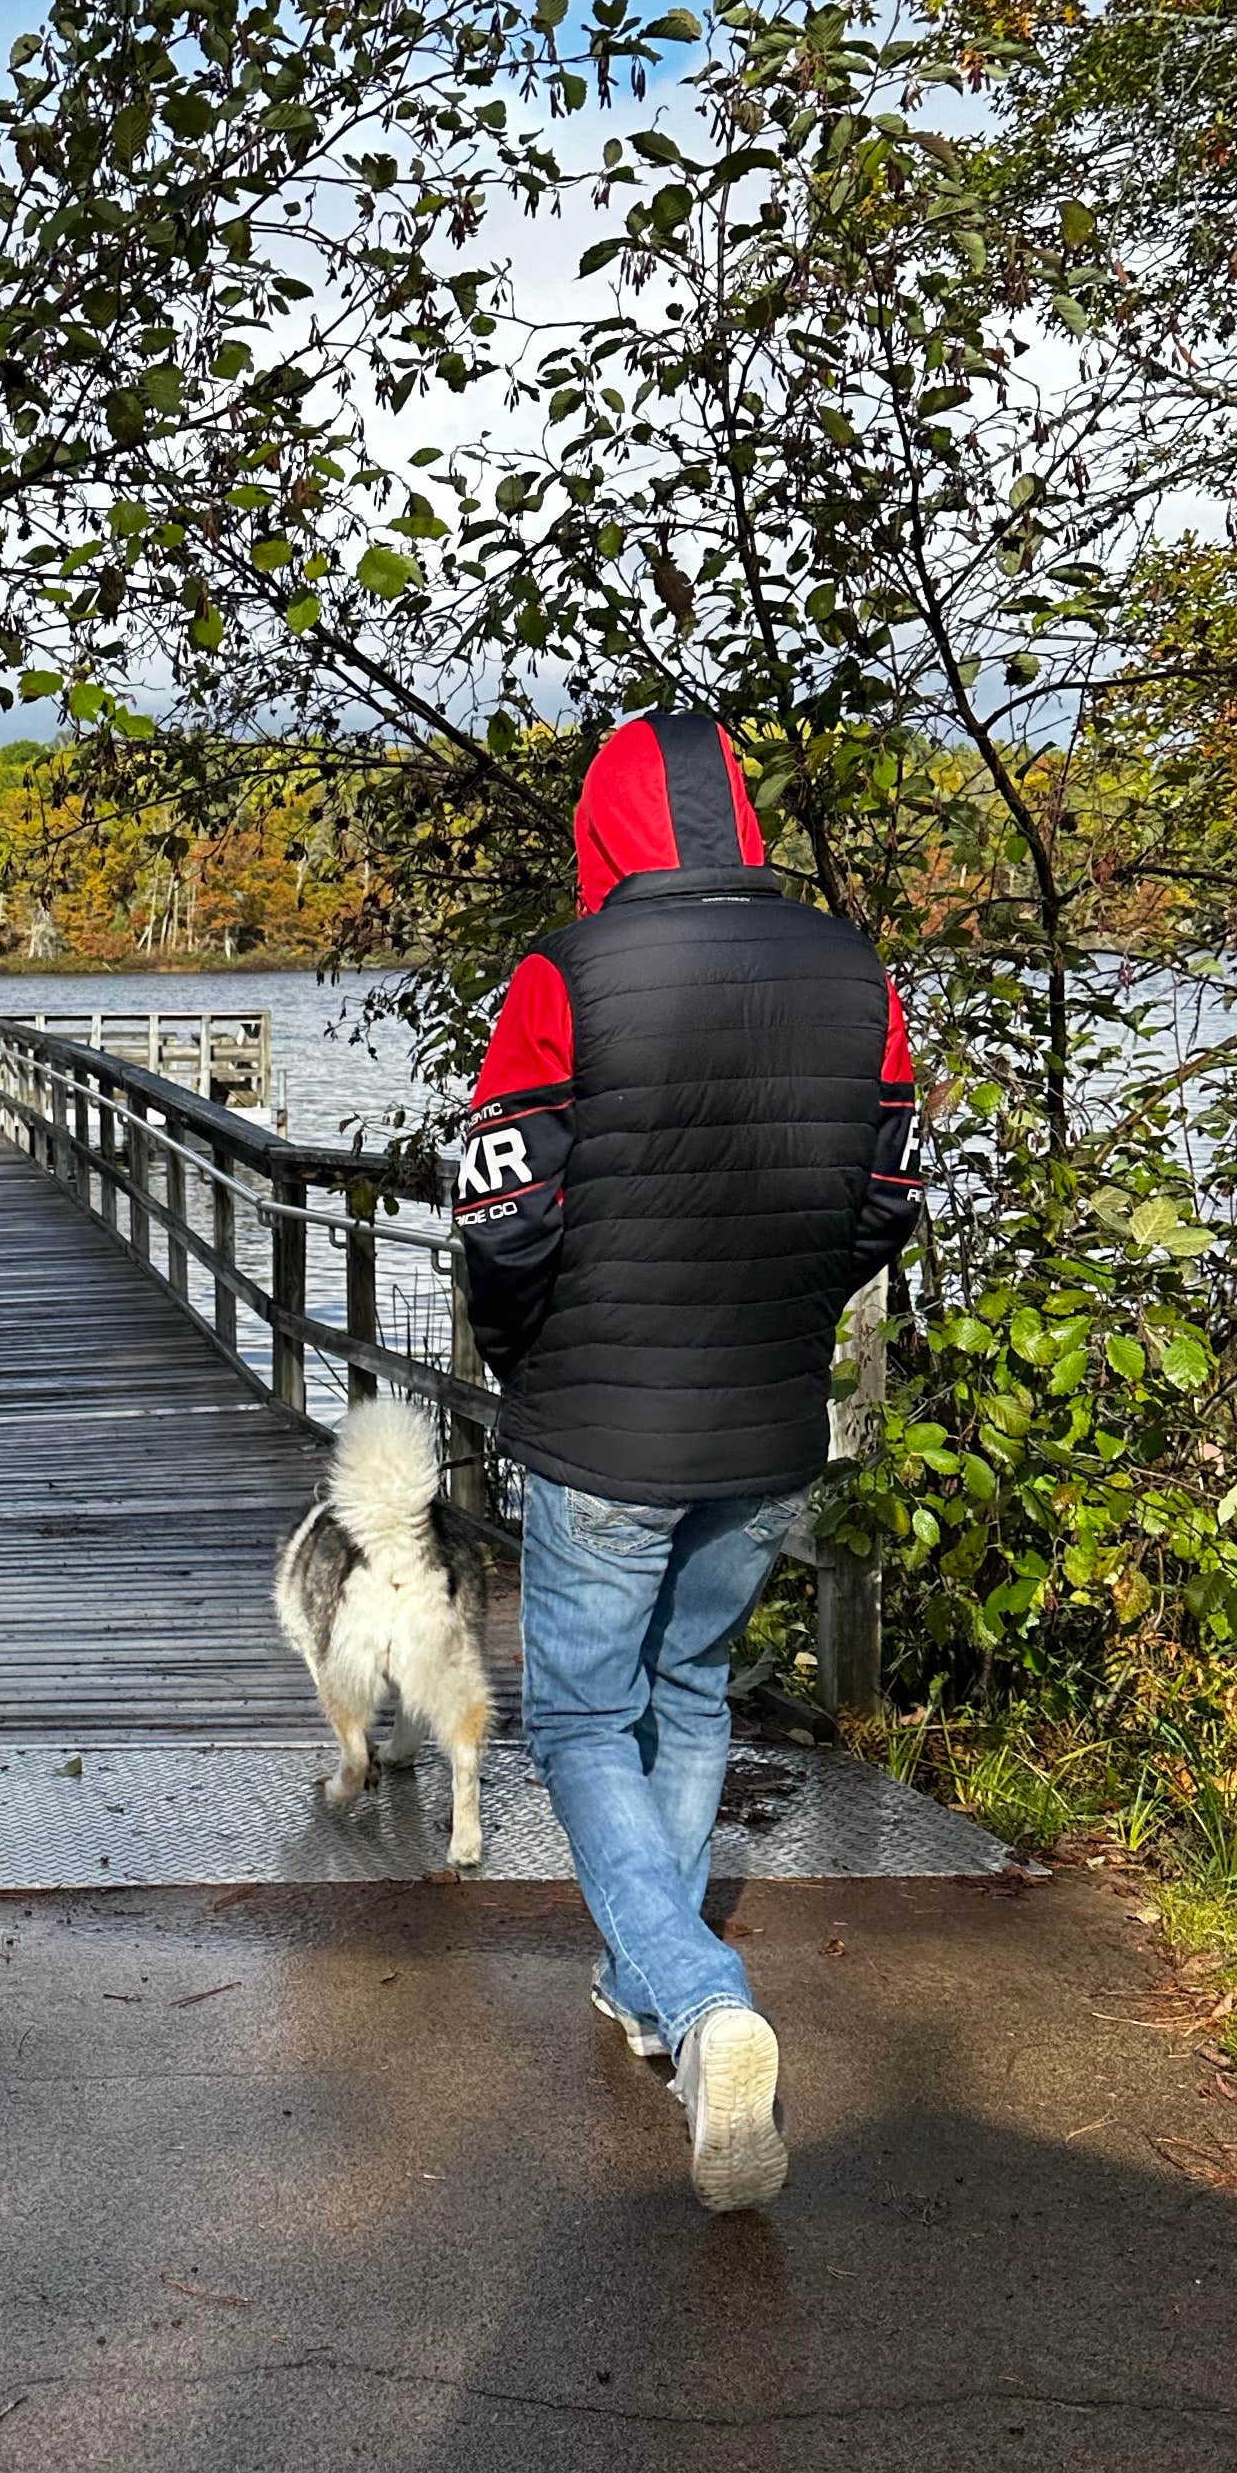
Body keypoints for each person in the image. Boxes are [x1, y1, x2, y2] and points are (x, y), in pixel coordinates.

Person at [453, 713, 921, 2210]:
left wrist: (528, 1353)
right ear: (745, 822)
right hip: (768, 1415)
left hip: (604, 1418)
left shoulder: (562, 979)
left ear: (604, 827)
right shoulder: (861, 977)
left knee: (585, 1718)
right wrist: (791, 1311)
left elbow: (503, 1216)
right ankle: (643, 1981)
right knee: (693, 1687)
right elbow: (888, 1196)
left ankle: (703, 1995)